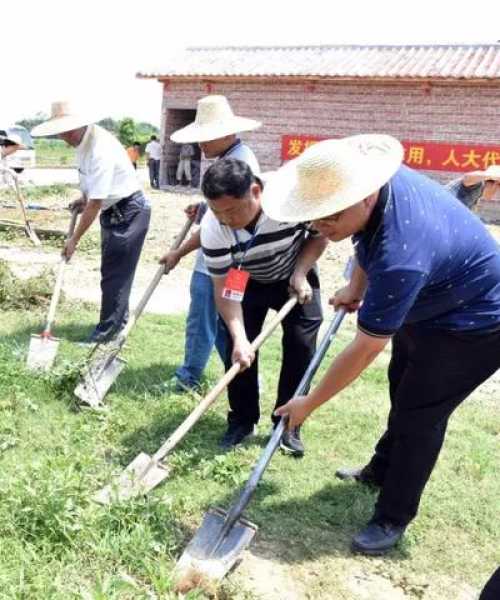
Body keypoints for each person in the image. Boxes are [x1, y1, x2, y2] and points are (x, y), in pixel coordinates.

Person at [264, 136, 500, 554]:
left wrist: (309, 402)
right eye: (315, 219)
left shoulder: (401, 254)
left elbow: (365, 347)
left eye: (330, 218)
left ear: (365, 197)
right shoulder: (372, 191)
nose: (322, 228)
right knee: (402, 390)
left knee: (419, 416)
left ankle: (393, 516)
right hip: (431, 300)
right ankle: (380, 470)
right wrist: (355, 286)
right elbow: (363, 242)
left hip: (475, 323)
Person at [200, 157, 326, 455]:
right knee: (236, 347)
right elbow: (224, 290)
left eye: (231, 210)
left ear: (255, 192)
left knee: (301, 346)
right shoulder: (213, 227)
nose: (225, 219)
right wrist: (241, 338)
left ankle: (287, 423)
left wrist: (300, 271)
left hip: (296, 274)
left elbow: (319, 236)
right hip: (245, 279)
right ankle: (242, 420)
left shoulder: (291, 198)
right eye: (217, 211)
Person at [159, 95, 262, 393]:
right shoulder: (232, 158)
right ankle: (245, 377)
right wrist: (203, 208)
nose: (201, 143)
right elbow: (222, 212)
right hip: (230, 259)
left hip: (223, 263)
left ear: (227, 132)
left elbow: (222, 223)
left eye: (207, 136)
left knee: (202, 319)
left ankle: (188, 377)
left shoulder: (240, 162)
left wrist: (179, 252)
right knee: (221, 325)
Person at [31, 101, 151, 344]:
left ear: (82, 123)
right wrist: (82, 199)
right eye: (60, 131)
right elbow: (91, 190)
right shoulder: (80, 143)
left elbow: (96, 203)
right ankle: (118, 323)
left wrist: (73, 239)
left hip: (129, 211)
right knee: (113, 272)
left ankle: (105, 334)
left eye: (68, 130)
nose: (65, 136)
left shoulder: (100, 148)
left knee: (115, 275)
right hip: (112, 210)